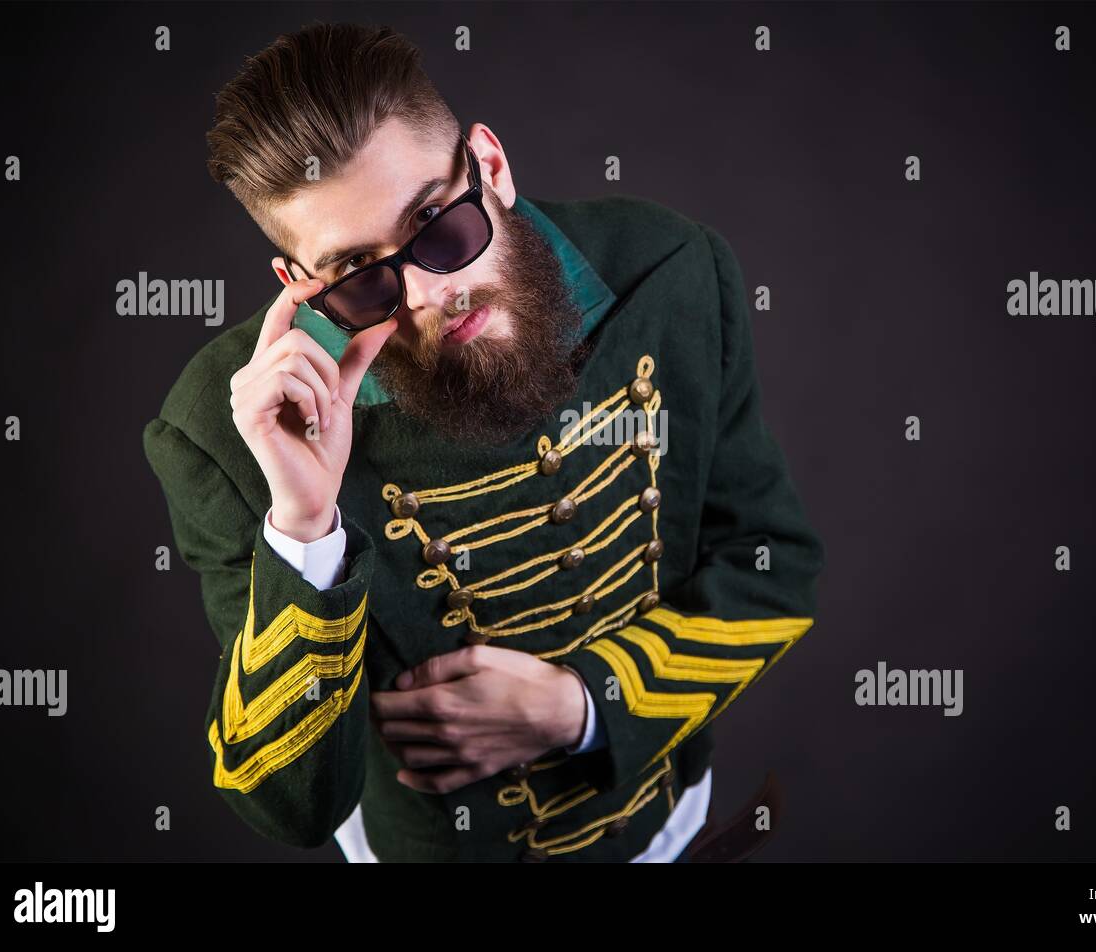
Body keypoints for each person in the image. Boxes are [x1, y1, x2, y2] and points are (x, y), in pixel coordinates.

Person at [143, 22, 823, 862]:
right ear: (303, 286)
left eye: (435, 221)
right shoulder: (222, 427)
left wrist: (583, 709)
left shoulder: (673, 268)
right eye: (361, 273)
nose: (431, 292)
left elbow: (776, 565)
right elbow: (293, 810)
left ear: (490, 166)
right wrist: (305, 524)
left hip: (669, 830)